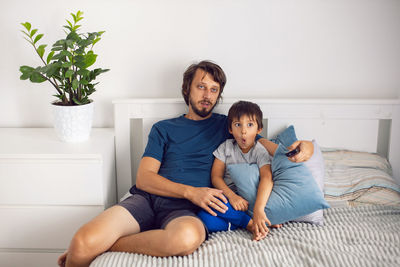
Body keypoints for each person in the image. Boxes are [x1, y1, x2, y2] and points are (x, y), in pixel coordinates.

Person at [58, 60, 314, 267]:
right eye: (201, 87)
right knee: (82, 242)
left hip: (185, 212)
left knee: (188, 238)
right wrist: (191, 191)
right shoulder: (163, 129)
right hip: (147, 199)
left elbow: (272, 147)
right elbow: (144, 179)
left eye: (214, 90)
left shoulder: (228, 126)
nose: (208, 95)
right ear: (186, 89)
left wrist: (308, 147)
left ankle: (107, 246)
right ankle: (94, 246)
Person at [198, 100, 281, 241]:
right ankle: (249, 223)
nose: (243, 131)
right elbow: (216, 177)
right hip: (229, 199)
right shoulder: (226, 147)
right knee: (203, 218)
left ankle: (248, 219)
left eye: (250, 125)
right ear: (230, 129)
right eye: (237, 125)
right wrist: (232, 196)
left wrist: (259, 209)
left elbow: (267, 178)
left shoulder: (260, 151)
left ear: (259, 129)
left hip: (251, 201)